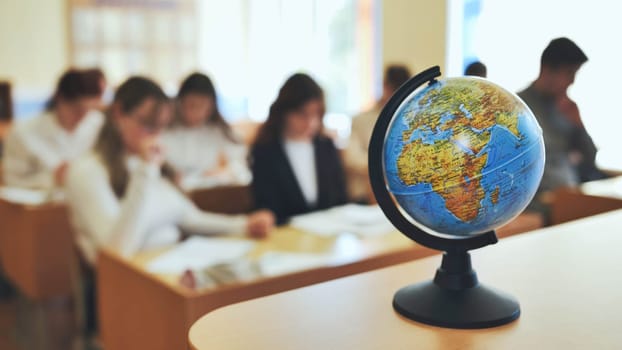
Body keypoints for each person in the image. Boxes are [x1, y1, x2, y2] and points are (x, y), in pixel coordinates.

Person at [65, 76, 274, 265]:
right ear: (119, 113)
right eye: (147, 125)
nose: (155, 136)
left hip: (169, 269)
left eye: (161, 127)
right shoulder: (87, 171)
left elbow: (189, 217)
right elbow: (116, 251)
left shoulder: (145, 164)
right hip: (126, 284)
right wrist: (146, 171)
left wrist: (244, 225)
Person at [518, 37, 603, 216]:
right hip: (537, 204)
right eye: (570, 73)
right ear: (547, 70)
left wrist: (579, 124)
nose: (572, 81)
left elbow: (590, 158)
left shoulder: (566, 109)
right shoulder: (519, 108)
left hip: (570, 198)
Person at [250, 73, 348, 224]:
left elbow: (341, 199)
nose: (311, 123)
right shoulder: (266, 151)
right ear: (284, 112)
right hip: (286, 238)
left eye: (316, 114)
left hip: (328, 236)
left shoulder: (326, 146)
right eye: (303, 114)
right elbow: (265, 204)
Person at [2, 69, 104, 190]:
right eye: (76, 109)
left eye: (87, 110)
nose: (81, 117)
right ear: (59, 99)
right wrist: (53, 179)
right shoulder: (24, 132)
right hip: (42, 206)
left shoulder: (99, 125)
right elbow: (11, 180)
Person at [162, 73, 250, 190]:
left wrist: (226, 172)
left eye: (203, 106)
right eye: (192, 106)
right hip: (174, 192)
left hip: (207, 193)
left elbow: (240, 163)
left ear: (211, 107)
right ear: (180, 102)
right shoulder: (164, 133)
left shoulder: (216, 132)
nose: (197, 113)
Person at [344, 64, 411, 202]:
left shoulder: (411, 120)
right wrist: (391, 166)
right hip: (364, 197)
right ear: (385, 86)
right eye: (394, 90)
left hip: (403, 196)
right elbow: (352, 158)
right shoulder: (361, 120)